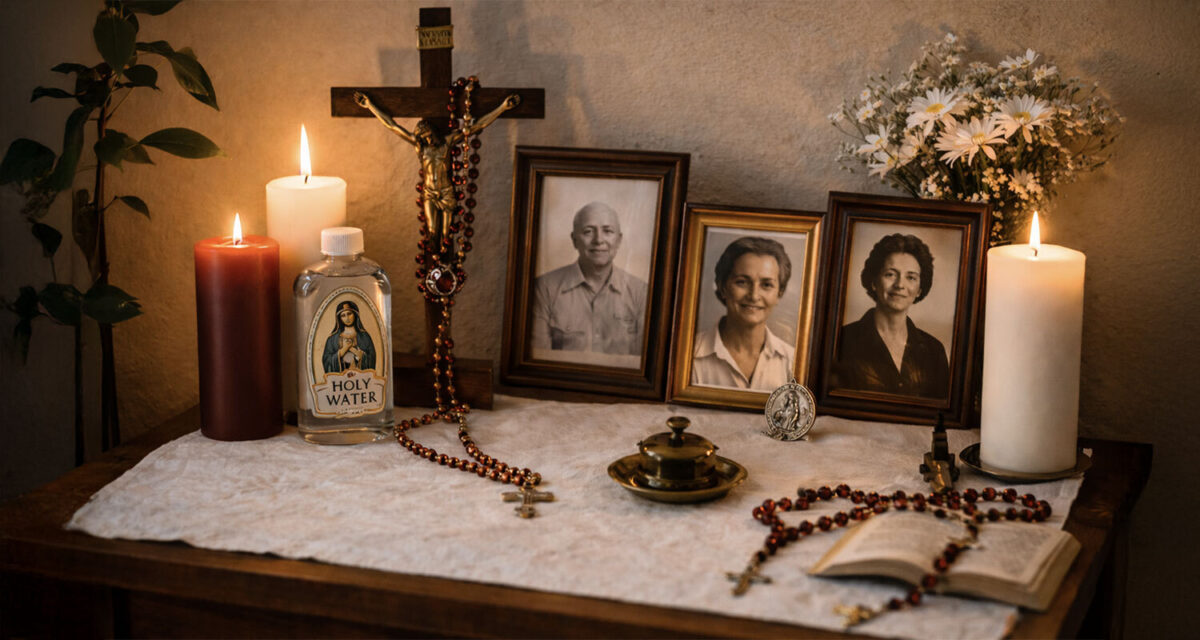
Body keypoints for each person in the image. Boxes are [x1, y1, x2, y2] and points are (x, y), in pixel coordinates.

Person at [832, 233, 949, 398]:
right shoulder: (841, 341)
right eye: (890, 274)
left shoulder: (934, 351)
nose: (900, 285)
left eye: (911, 277)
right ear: (874, 282)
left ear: (919, 290)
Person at [530, 202, 647, 355]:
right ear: (574, 240)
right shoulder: (544, 288)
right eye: (588, 232)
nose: (598, 240)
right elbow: (538, 359)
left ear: (619, 240)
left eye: (608, 231)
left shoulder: (642, 292)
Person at [691, 236, 794, 390]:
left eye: (766, 285)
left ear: (779, 293)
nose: (753, 296)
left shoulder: (793, 361)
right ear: (722, 287)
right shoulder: (690, 355)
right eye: (742, 282)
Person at [322, 300, 377, 374]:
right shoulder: (332, 339)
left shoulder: (364, 336)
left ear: (355, 314)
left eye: (349, 314)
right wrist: (343, 350)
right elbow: (326, 360)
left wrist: (358, 353)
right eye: (343, 315)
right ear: (339, 318)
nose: (347, 318)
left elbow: (372, 358)